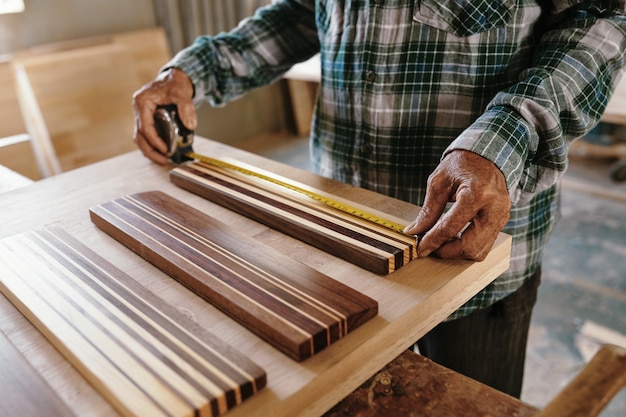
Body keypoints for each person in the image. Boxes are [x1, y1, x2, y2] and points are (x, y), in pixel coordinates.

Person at [132, 0, 626, 398]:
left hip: (470, 244)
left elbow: (600, 18)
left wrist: (507, 138)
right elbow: (302, 13)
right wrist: (195, 69)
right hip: (335, 241)